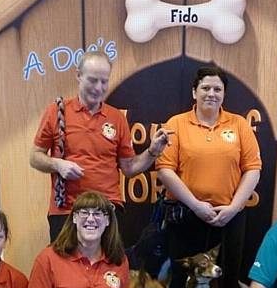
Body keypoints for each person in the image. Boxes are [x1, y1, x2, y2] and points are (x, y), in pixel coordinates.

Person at [156, 66, 262, 288]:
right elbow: (165, 169)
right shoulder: (177, 124)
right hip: (187, 215)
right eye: (205, 88)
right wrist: (195, 205)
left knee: (228, 279)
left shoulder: (239, 125)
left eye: (217, 89)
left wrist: (234, 207)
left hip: (228, 216)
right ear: (194, 91)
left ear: (223, 94)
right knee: (180, 279)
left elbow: (253, 168)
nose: (211, 94)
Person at [29, 50, 171, 241]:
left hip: (107, 210)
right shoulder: (56, 112)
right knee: (65, 269)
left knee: (107, 270)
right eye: (93, 80)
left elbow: (129, 168)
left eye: (104, 81)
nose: (99, 87)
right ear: (78, 76)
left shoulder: (117, 118)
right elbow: (35, 157)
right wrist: (58, 165)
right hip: (66, 210)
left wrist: (153, 151)